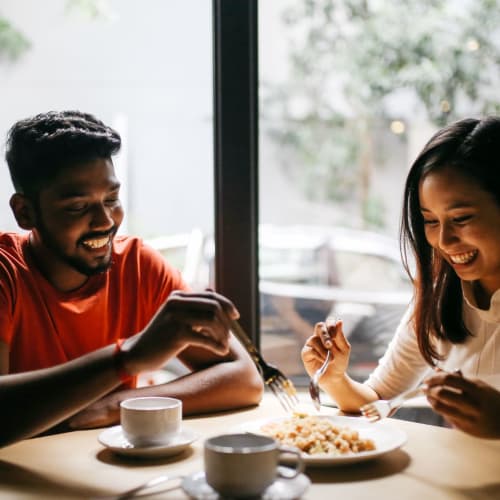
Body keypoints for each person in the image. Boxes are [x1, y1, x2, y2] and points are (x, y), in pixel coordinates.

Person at [0, 110, 263, 448]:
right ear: (25, 212)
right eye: (78, 207)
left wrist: (112, 406)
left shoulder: (138, 266)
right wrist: (128, 358)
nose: (105, 221)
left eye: (111, 199)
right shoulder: (6, 273)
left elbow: (245, 379)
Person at [302, 116, 500, 439]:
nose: (444, 240)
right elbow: (379, 398)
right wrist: (335, 378)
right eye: (430, 221)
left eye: (461, 218)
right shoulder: (442, 298)